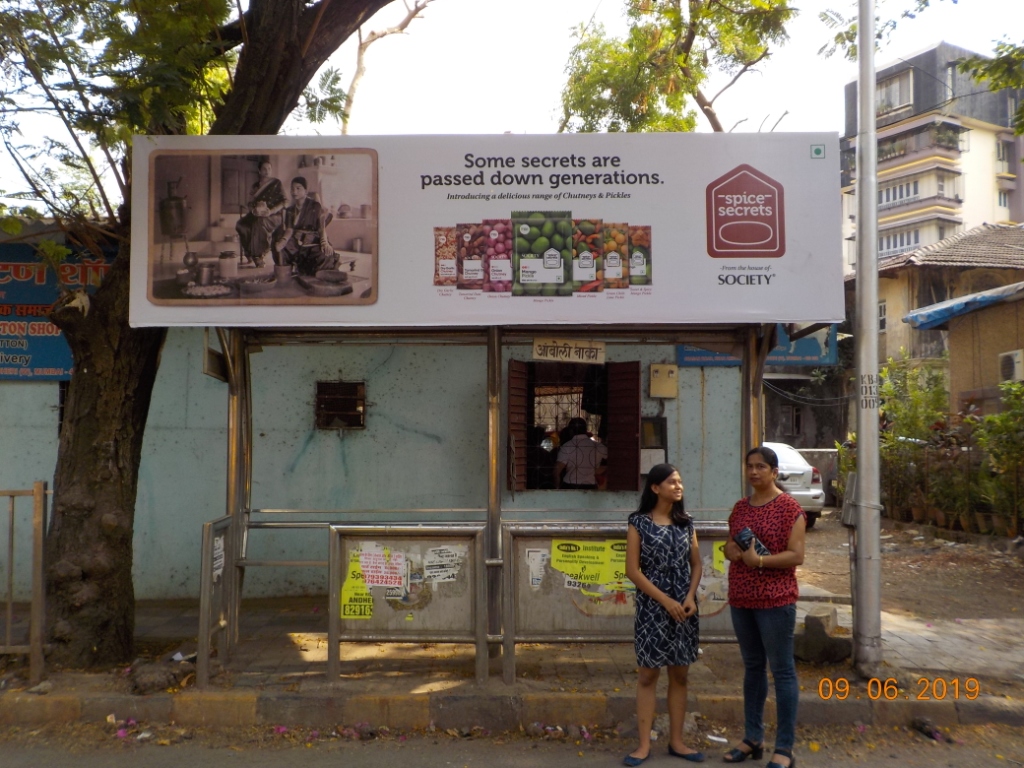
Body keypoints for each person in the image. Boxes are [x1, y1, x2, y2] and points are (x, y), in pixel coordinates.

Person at [722, 446, 806, 768]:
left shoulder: (789, 508)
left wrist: (760, 561)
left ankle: (784, 748)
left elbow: (796, 556)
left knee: (782, 671)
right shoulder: (740, 508)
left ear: (774, 472)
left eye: (761, 466)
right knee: (752, 668)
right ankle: (752, 738)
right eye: (750, 466)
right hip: (742, 598)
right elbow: (730, 543)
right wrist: (732, 550)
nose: (754, 472)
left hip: (776, 600)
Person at [624, 463, 704, 766]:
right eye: (672, 482)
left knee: (680, 673)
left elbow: (696, 564)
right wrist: (664, 600)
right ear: (655, 488)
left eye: (680, 482)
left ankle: (677, 741)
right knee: (648, 674)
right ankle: (643, 745)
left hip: (684, 608)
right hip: (652, 607)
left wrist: (688, 598)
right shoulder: (639, 522)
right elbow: (632, 570)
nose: (678, 486)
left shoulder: (687, 523)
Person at [274, 176, 337, 276]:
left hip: (313, 241)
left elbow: (321, 227)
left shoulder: (315, 206)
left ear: (306, 191)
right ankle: (292, 271)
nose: (294, 191)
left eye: (298, 188)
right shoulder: (290, 210)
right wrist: (283, 241)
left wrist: (324, 242)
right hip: (296, 243)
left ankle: (311, 274)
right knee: (279, 244)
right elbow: (289, 230)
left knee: (325, 255)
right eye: (292, 188)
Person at [235, 160, 286, 266]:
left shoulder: (277, 183)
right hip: (258, 214)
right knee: (241, 224)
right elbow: (249, 203)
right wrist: (254, 210)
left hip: (274, 215)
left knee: (259, 222)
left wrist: (270, 211)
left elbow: (284, 201)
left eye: (269, 169)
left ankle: (258, 255)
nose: (267, 171)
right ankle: (249, 253)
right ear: (259, 171)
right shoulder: (255, 186)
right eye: (264, 169)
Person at [554, 417, 607, 489]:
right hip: (591, 485)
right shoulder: (599, 446)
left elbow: (557, 471)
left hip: (570, 485)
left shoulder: (567, 446)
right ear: (586, 429)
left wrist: (556, 488)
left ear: (571, 431)